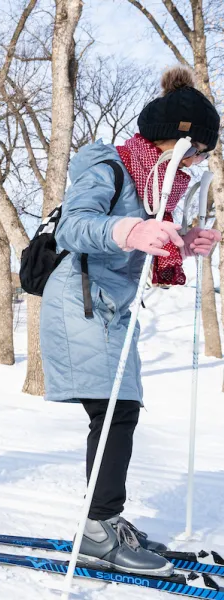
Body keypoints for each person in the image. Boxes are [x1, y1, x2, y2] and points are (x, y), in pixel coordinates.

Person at [40, 66, 221, 576]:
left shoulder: (158, 184)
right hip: (80, 300)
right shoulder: (110, 164)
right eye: (198, 153)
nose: (200, 164)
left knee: (122, 410)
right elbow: (75, 225)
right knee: (116, 410)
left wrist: (182, 242)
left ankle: (105, 520)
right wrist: (133, 229)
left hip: (113, 308)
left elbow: (147, 237)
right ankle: (99, 528)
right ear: (171, 142)